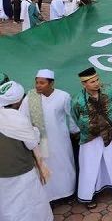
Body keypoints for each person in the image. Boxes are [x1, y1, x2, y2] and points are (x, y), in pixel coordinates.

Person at [19, 69, 80, 204]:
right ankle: (49, 197)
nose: (38, 86)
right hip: (40, 142)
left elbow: (70, 116)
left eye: (42, 83)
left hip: (60, 139)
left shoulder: (63, 96)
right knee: (46, 167)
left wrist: (75, 130)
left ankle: (68, 193)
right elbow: (22, 118)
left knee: (65, 165)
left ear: (51, 83)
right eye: (36, 82)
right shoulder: (30, 98)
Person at [71, 67, 112, 209]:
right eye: (92, 82)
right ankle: (87, 195)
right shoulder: (77, 100)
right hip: (90, 138)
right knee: (90, 166)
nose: (96, 83)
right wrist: (86, 129)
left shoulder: (110, 90)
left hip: (109, 133)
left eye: (97, 80)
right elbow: (74, 117)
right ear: (83, 84)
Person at [0, 80, 54, 221]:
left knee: (6, 204)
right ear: (17, 101)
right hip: (21, 169)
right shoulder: (18, 118)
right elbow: (31, 143)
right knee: (28, 204)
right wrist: (34, 129)